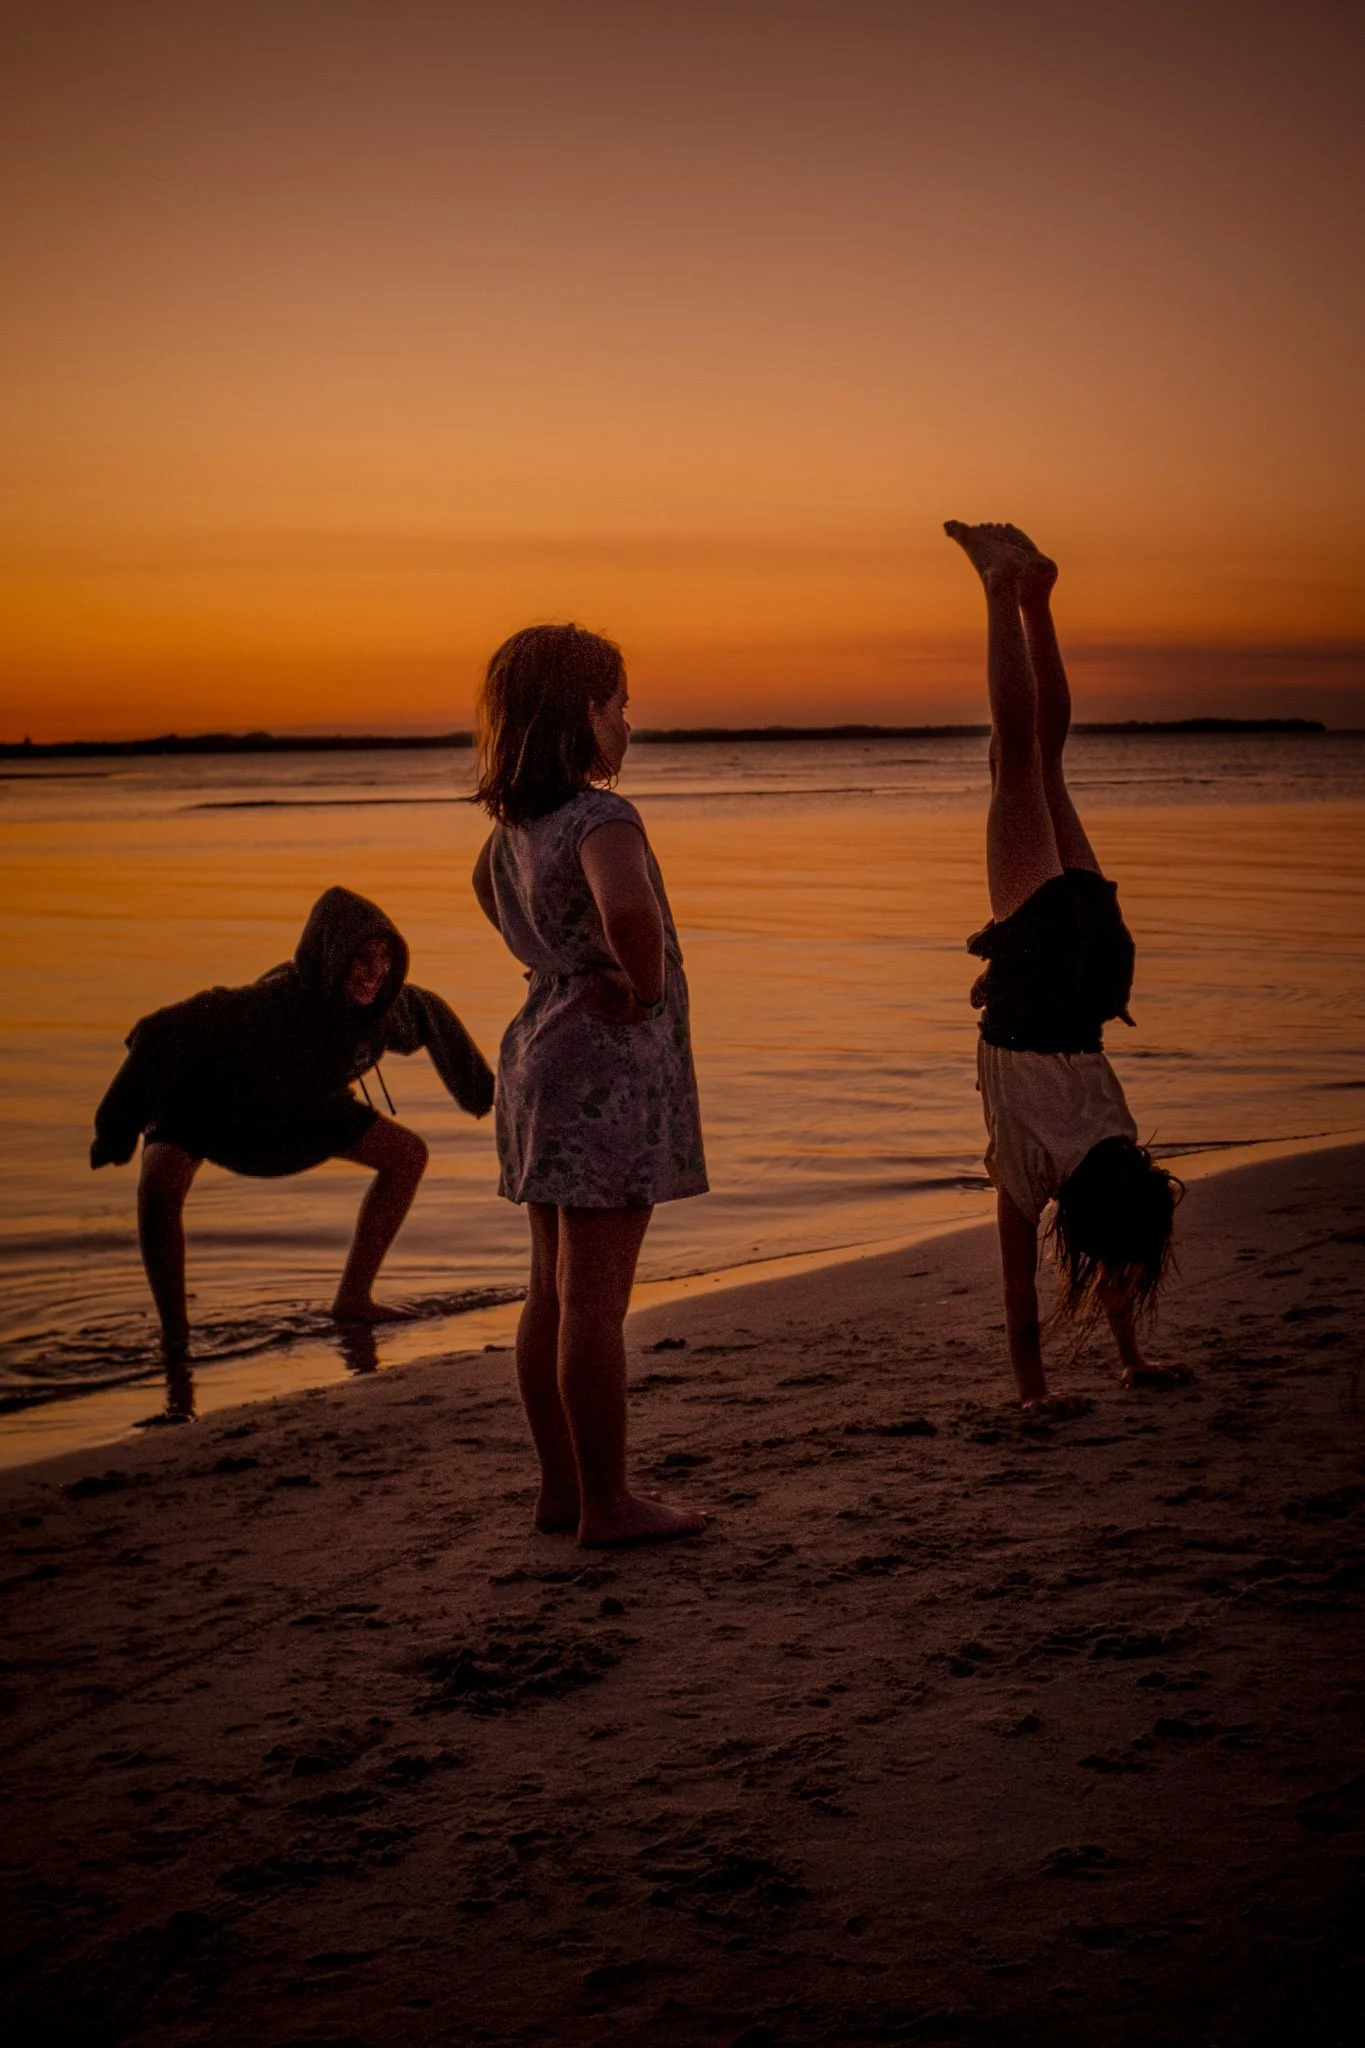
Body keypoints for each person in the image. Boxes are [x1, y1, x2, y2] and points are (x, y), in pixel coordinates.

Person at [471, 622, 709, 1546]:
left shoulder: (515, 827)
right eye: (619, 704)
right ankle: (608, 1504)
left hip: (537, 1055)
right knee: (596, 1303)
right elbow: (630, 909)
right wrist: (638, 986)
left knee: (549, 1291)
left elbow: (489, 895)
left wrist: (553, 960)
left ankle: (561, 1490)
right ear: (583, 713)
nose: (627, 722)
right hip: (601, 1068)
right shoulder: (602, 818)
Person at [945, 520, 1188, 1414]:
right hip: (1043, 976)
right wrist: (1032, 1391)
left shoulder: (1117, 1146)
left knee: (1041, 760)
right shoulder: (1033, 1171)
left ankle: (1036, 600)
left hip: (1093, 974)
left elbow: (1118, 1240)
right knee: (1016, 759)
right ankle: (998, 589)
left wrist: (1131, 1364)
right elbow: (1023, 1289)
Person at [91, 886, 494, 1363]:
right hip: (206, 1100)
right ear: (331, 953)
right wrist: (116, 1126)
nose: (375, 973)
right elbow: (156, 1032)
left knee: (406, 1154)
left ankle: (353, 1299)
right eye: (361, 959)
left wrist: (486, 1095)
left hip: (304, 1106)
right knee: (159, 1187)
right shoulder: (269, 1004)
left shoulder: (386, 1008)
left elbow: (432, 1015)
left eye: (384, 960)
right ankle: (175, 1337)